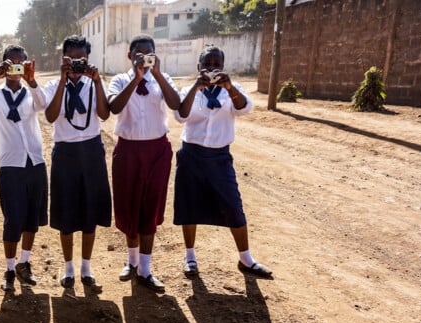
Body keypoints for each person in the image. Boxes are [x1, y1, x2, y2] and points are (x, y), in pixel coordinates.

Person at [174, 45, 273, 278]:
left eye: (216, 64)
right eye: (207, 64)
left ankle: (245, 258)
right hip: (191, 155)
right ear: (198, 68)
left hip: (219, 157)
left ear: (223, 67)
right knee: (189, 206)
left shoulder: (232, 89)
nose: (211, 68)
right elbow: (180, 116)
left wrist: (229, 88)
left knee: (233, 205)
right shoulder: (189, 90)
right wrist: (196, 87)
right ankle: (190, 257)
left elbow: (245, 108)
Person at [107, 34, 180, 293]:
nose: (144, 58)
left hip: (157, 150)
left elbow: (176, 104)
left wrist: (157, 74)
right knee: (129, 206)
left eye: (149, 53)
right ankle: (131, 262)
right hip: (128, 150)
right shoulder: (119, 80)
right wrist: (136, 78)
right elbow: (113, 108)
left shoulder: (163, 79)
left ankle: (146, 271)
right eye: (139, 53)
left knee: (150, 207)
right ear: (129, 56)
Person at [43, 35, 111, 289]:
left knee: (90, 210)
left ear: (88, 59)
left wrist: (98, 81)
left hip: (91, 150)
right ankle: (68, 267)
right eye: (72, 57)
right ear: (64, 58)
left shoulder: (93, 84)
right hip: (65, 152)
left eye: (81, 57)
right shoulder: (53, 84)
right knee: (66, 211)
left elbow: (104, 114)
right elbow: (50, 116)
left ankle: (86, 267)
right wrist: (63, 80)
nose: (77, 62)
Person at [0, 45, 48, 292]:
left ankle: (24, 263)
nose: (15, 68)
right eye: (11, 63)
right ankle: (8, 268)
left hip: (35, 162)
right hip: (11, 164)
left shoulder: (31, 93)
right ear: (4, 65)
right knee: (12, 219)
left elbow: (44, 106)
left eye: (20, 63)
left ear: (26, 65)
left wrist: (32, 81)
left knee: (32, 218)